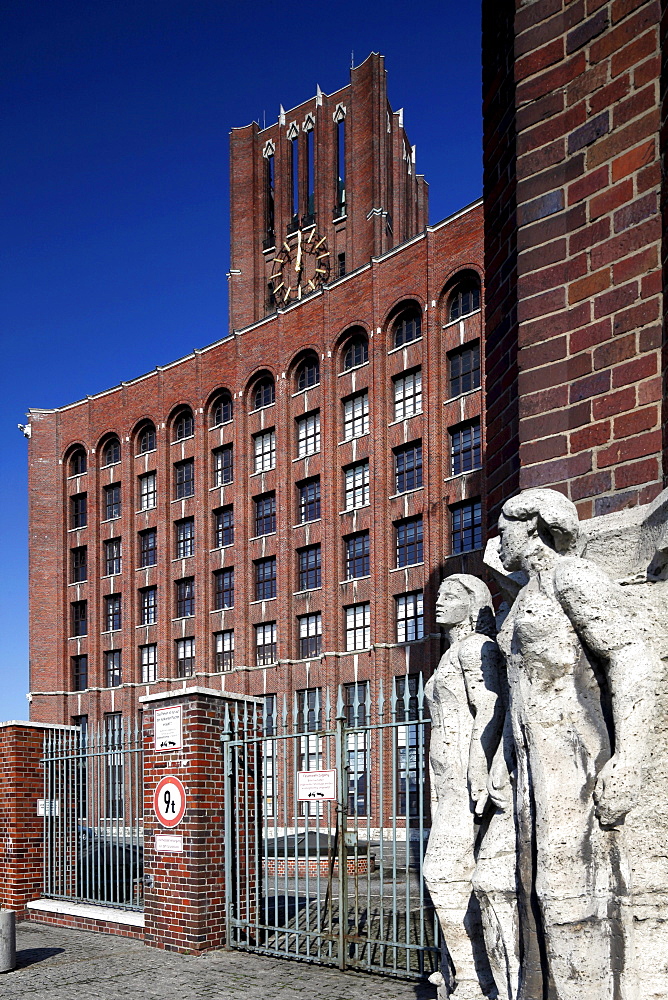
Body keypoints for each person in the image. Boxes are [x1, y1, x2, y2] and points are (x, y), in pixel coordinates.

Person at [496, 488, 657, 1000]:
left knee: (568, 897)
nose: (499, 537)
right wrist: (502, 762)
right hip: (529, 771)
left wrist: (630, 758)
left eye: (505, 526)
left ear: (533, 526)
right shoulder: (526, 594)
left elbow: (633, 656)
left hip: (575, 760)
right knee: (525, 890)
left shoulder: (573, 576)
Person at [424, 574, 518, 1000]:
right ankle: (461, 970)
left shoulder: (476, 649)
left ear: (474, 602)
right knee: (450, 872)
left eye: (450, 595)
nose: (438, 601)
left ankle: (472, 979)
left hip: (465, 779)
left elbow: (492, 707)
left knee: (442, 870)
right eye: (439, 594)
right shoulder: (449, 655)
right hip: (444, 782)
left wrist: (480, 769)